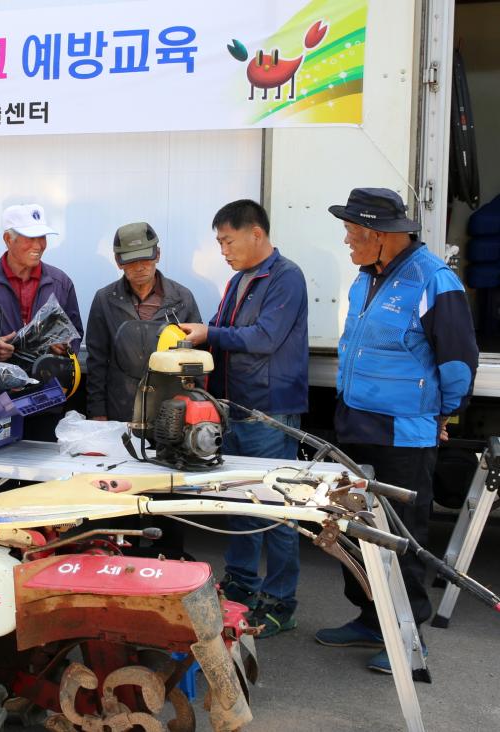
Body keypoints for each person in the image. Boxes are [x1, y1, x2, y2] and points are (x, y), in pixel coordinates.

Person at [315, 187, 478, 673]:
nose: (346, 242)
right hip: (356, 422)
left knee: (403, 539)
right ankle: (370, 618)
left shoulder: (434, 280)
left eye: (350, 233)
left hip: (404, 433)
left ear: (378, 235)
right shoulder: (365, 279)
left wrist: (441, 417)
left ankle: (408, 639)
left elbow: (457, 363)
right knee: (354, 530)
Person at [180, 199, 308, 638]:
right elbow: (219, 328)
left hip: (269, 413)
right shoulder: (238, 281)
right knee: (237, 504)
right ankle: (241, 587)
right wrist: (194, 337)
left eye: (227, 240)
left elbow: (265, 338)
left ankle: (280, 602)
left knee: (275, 510)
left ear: (256, 233)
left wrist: (209, 332)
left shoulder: (286, 277)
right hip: (235, 411)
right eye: (219, 242)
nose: (223, 250)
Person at [85, 221, 201, 422]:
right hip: (121, 408)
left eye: (145, 259)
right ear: (118, 261)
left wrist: (195, 407)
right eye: (131, 261)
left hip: (173, 409)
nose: (139, 267)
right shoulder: (105, 299)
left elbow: (196, 361)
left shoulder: (182, 298)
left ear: (157, 254)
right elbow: (97, 360)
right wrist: (97, 412)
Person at [0, 203, 83, 361]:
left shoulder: (61, 283)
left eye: (42, 237)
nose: (38, 246)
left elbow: (75, 334)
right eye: (30, 238)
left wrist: (66, 346)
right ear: (8, 239)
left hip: (46, 382)